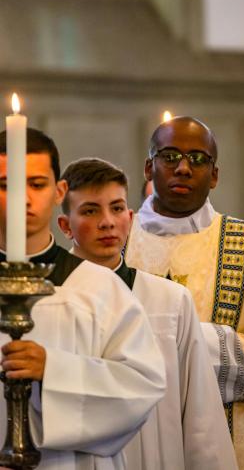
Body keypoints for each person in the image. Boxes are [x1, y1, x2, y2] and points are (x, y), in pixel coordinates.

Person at [125, 116, 244, 470]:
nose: (183, 168)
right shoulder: (114, 244)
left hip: (228, 444)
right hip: (130, 438)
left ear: (214, 175)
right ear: (150, 167)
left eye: (198, 159)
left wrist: (192, 345)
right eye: (170, 156)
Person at [0, 128, 166, 470]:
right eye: (6, 186)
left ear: (59, 191)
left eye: (36, 184)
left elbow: (142, 386)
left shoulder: (98, 287)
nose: (23, 199)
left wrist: (55, 371)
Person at [58, 157, 238, 470]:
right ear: (65, 226)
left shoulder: (170, 302)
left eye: (116, 209)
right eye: (90, 210)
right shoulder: (49, 301)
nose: (107, 222)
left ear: (130, 217)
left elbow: (201, 415)